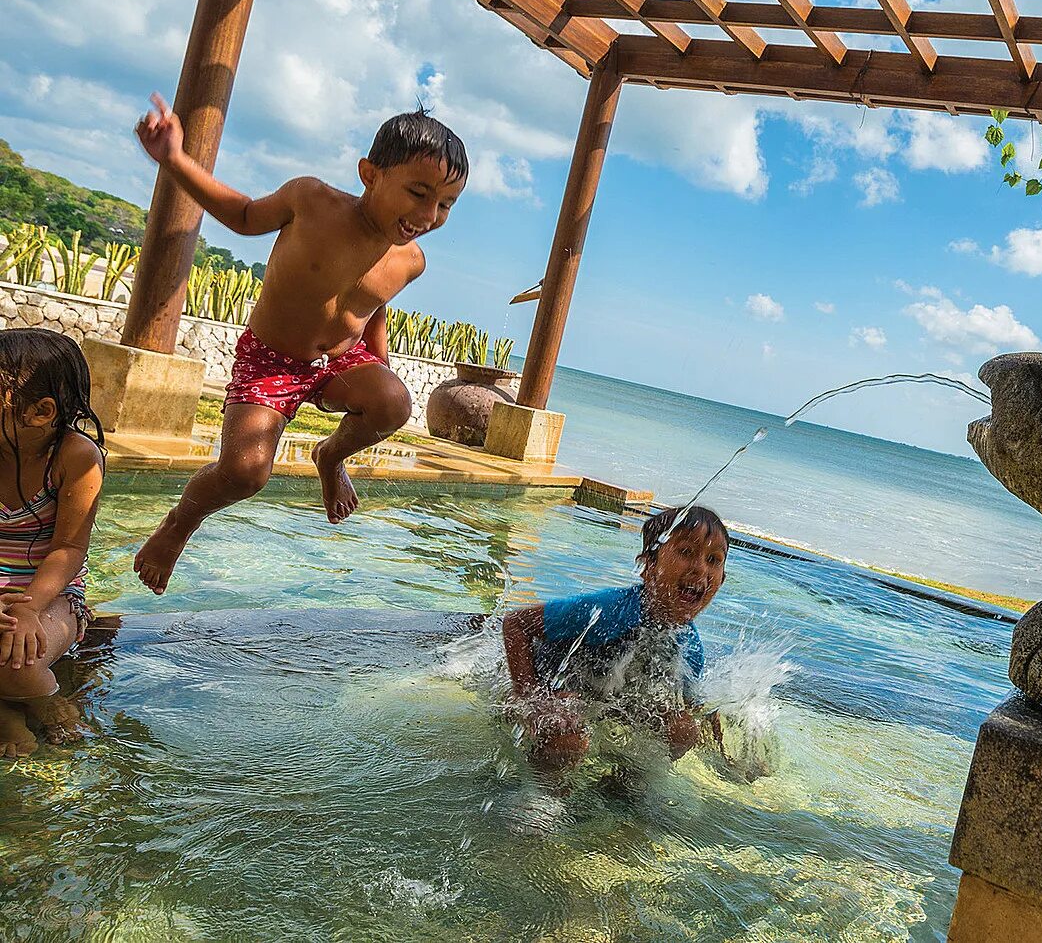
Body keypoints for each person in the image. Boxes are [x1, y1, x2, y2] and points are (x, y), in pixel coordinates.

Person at [131, 94, 468, 594]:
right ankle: (179, 525)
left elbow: (374, 305)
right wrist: (175, 159)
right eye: (418, 193)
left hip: (339, 362)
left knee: (395, 401)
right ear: (369, 174)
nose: (430, 213)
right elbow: (243, 215)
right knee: (245, 472)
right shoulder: (311, 201)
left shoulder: (410, 260)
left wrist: (379, 370)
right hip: (273, 360)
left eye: (445, 204)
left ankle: (330, 458)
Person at [500, 505, 728, 773]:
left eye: (713, 560)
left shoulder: (688, 646)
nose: (700, 570)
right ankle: (542, 794)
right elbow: (516, 624)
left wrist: (724, 756)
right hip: (549, 689)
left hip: (606, 701)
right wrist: (533, 699)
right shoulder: (607, 612)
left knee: (682, 729)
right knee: (568, 737)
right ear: (648, 567)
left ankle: (623, 786)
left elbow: (692, 706)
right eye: (686, 552)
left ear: (722, 580)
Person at [0, 329, 105, 757]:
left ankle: (44, 703)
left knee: (17, 661)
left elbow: (68, 549)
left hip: (48, 591)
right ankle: (7, 714)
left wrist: (27, 607)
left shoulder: (76, 458)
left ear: (39, 412)